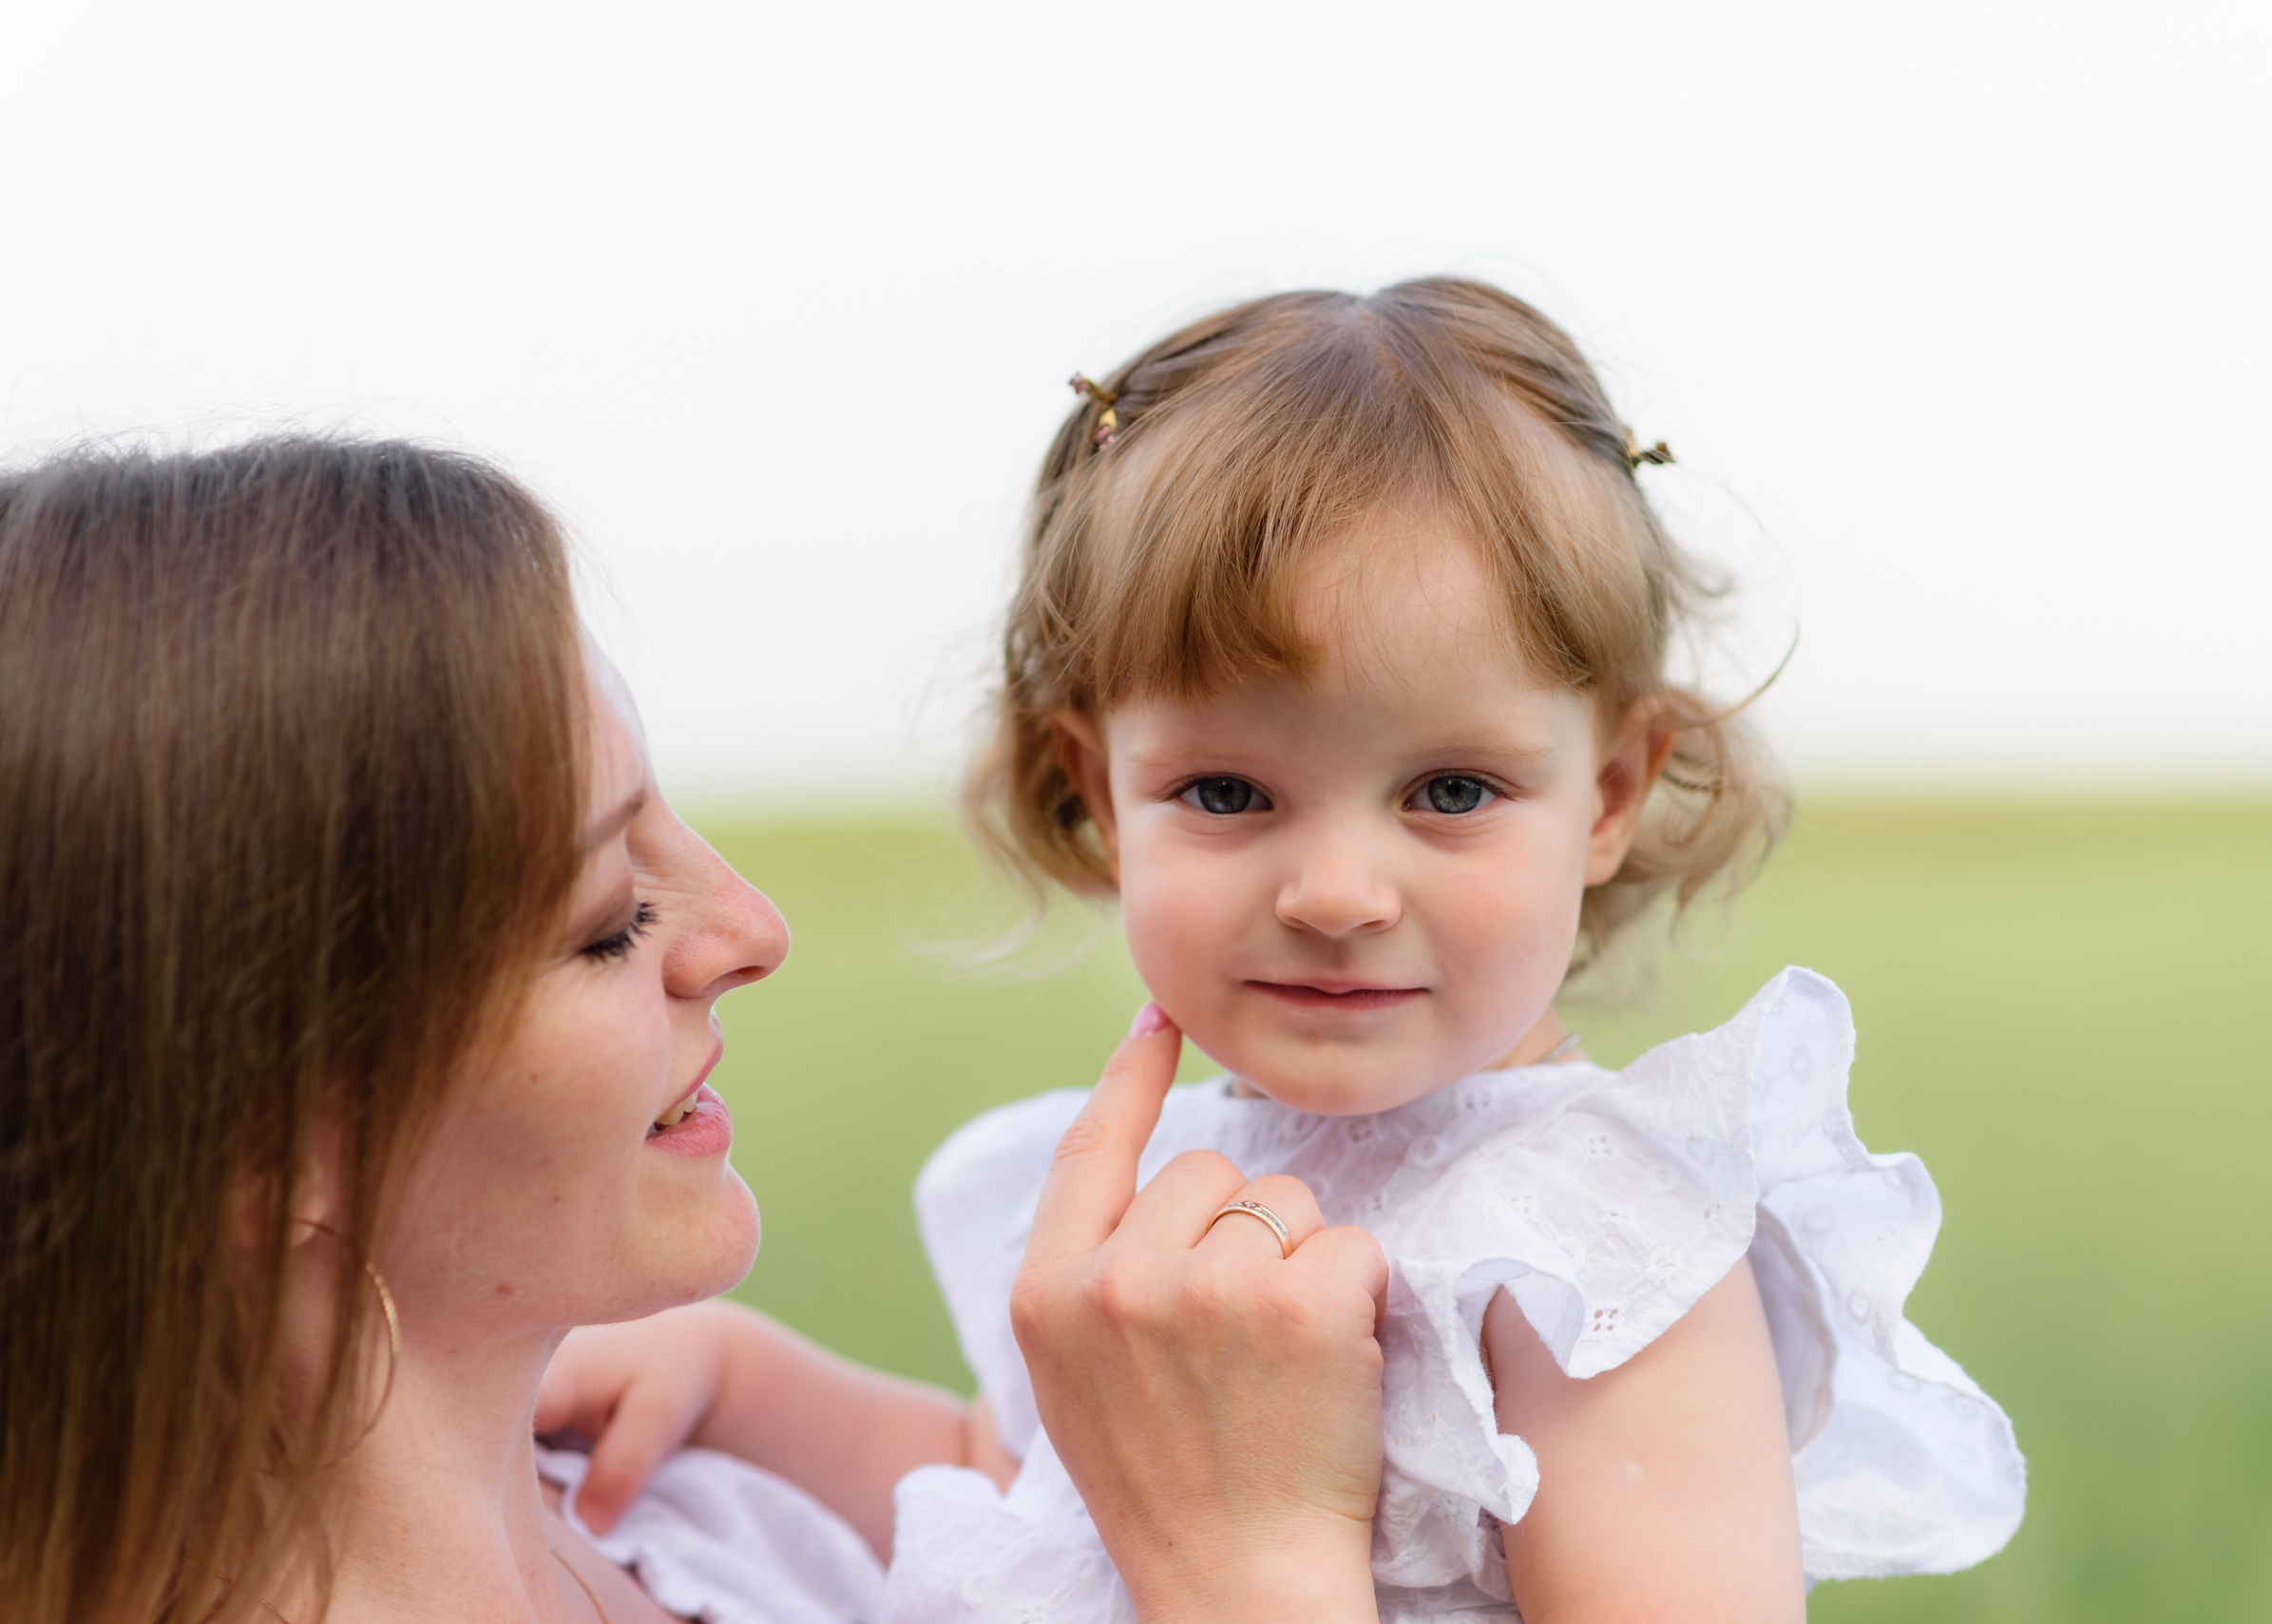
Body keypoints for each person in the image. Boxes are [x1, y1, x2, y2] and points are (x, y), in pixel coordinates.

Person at [551, 280, 2029, 1622]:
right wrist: (744, 1382)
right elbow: (1045, 1517)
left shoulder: (1594, 1265)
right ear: (1098, 790)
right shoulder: (1174, 1182)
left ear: (1614, 795)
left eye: (1450, 792)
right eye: (1228, 793)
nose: (1333, 890)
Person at [0, 438, 1393, 1624]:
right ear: (264, 1135)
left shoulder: (719, 1516)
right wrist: (1255, 1568)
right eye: (610, 913)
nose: (751, 929)